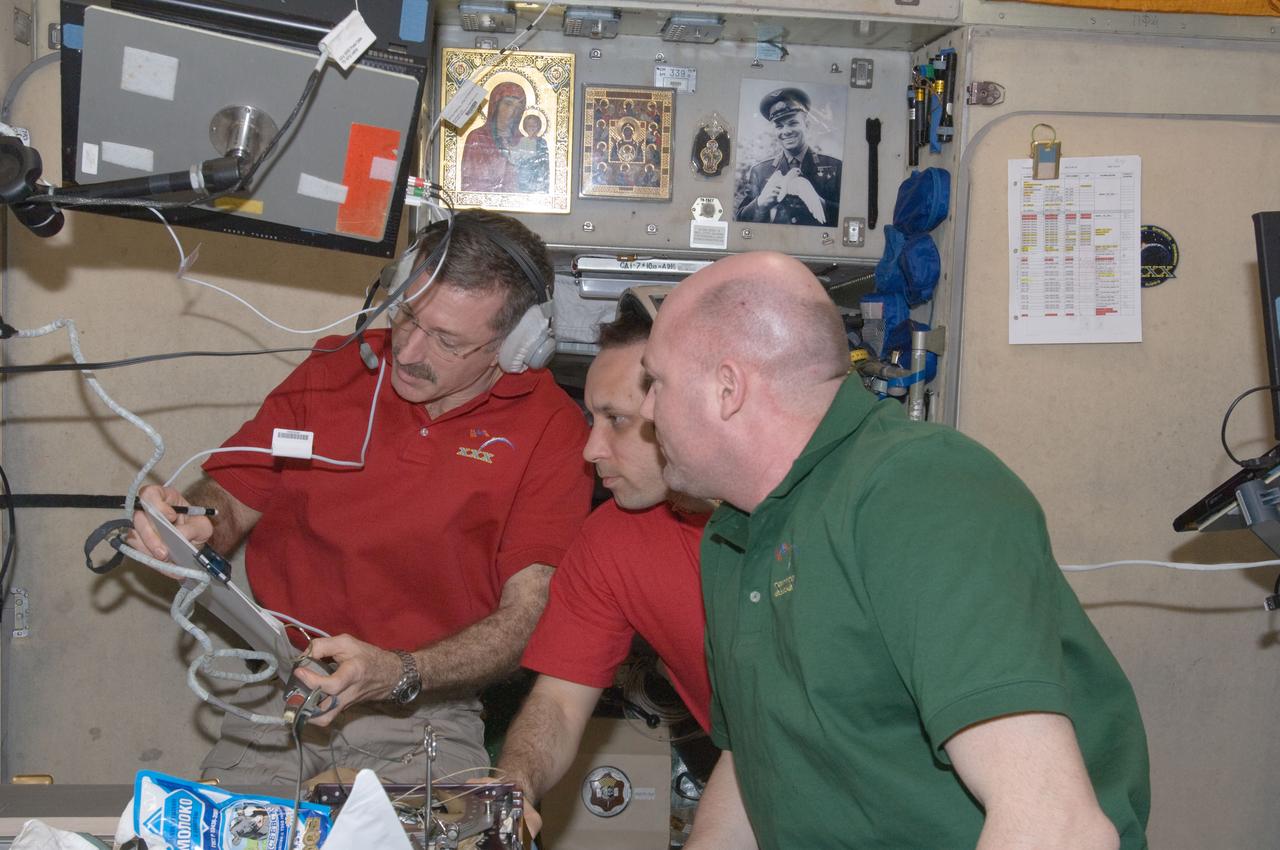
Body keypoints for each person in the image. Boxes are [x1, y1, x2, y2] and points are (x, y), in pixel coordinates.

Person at [640, 251, 1151, 849]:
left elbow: (1054, 825)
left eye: (657, 381)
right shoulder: (734, 536)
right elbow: (755, 766)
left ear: (727, 388)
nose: (647, 410)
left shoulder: (918, 487)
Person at [131, 210, 594, 786]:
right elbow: (227, 498)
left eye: (447, 340)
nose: (409, 349)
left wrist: (399, 671)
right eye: (407, 315)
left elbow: (529, 614)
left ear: (518, 346)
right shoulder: (337, 368)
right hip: (288, 691)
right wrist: (191, 522)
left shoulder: (551, 430)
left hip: (425, 712)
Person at [495, 300, 716, 834]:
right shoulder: (609, 539)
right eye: (591, 419)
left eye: (616, 420)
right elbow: (560, 703)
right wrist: (509, 791)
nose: (591, 449)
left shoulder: (798, 521)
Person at [735, 88, 841, 227]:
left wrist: (820, 203)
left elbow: (849, 216)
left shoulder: (835, 167)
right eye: (779, 126)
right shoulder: (760, 171)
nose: (786, 131)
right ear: (774, 130)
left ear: (806, 125)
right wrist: (760, 203)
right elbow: (740, 221)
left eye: (793, 123)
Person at [460, 82, 527, 192]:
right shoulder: (477, 137)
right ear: (495, 105)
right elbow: (470, 183)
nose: (512, 111)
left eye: (518, 107)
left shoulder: (524, 142)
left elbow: (530, 182)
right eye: (508, 104)